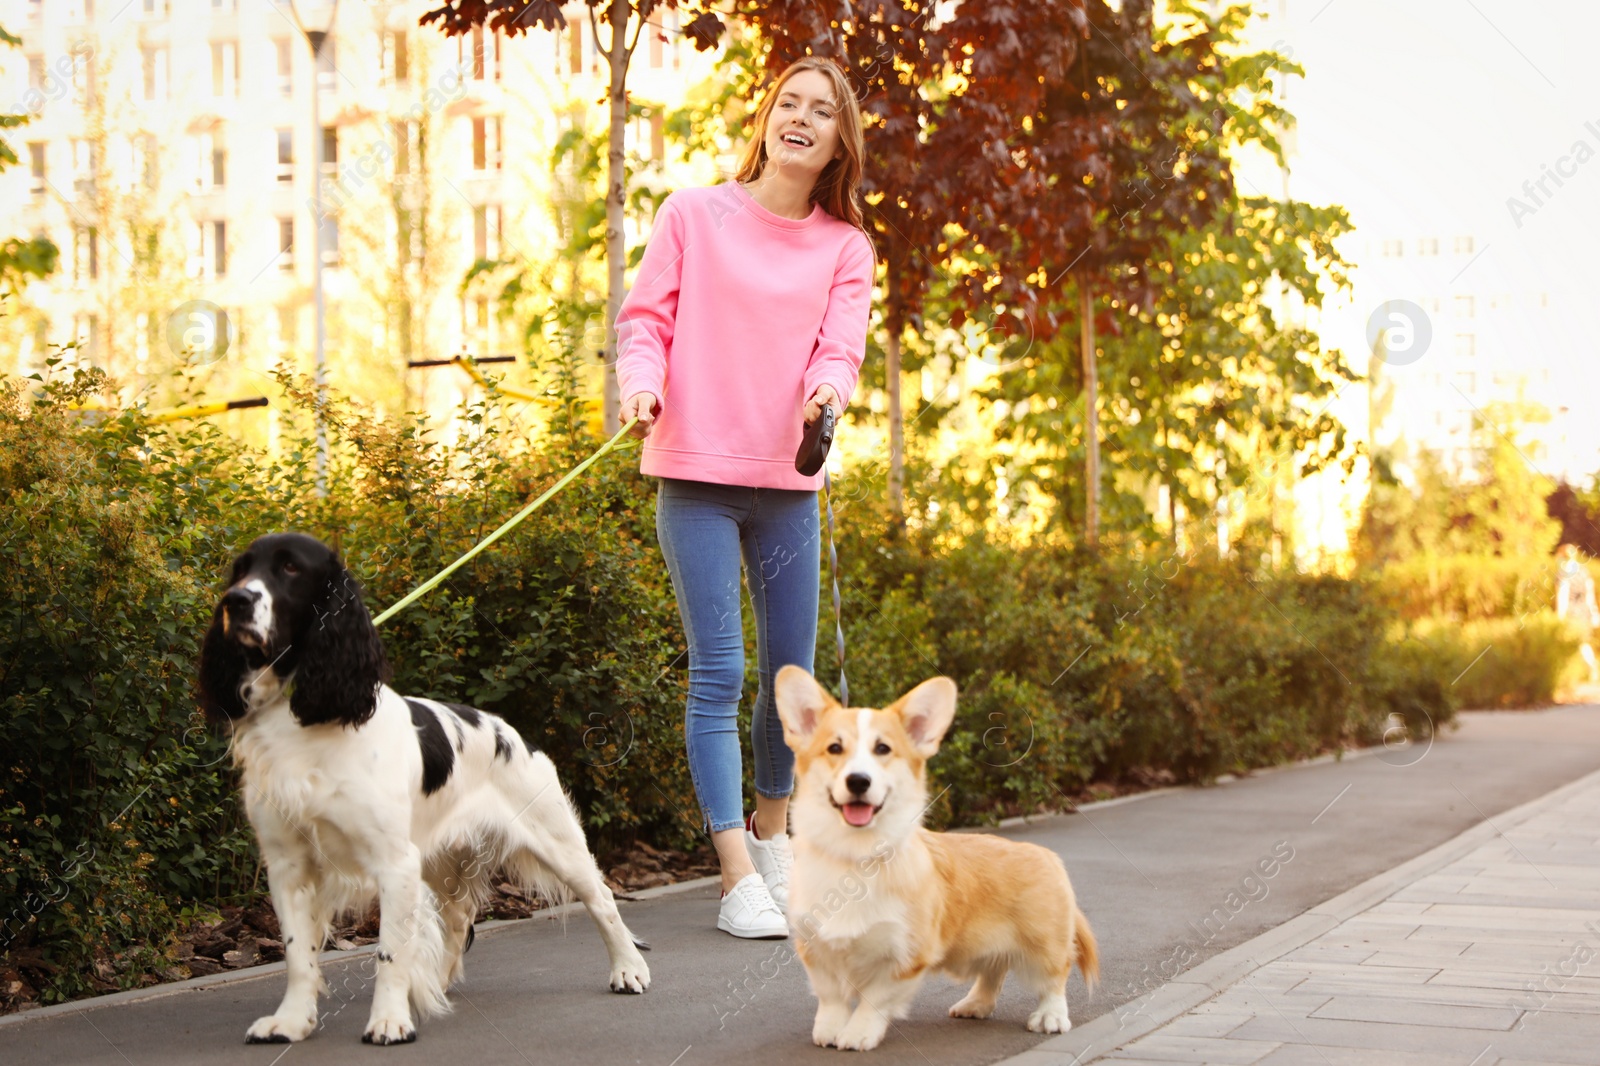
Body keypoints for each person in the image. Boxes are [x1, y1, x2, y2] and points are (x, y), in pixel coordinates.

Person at [612, 57, 876, 939]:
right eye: (788, 103)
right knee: (719, 670)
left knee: (788, 685)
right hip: (693, 476)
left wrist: (826, 396)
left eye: (822, 111)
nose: (801, 118)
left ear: (841, 140)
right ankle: (734, 877)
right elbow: (645, 321)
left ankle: (773, 842)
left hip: (786, 487)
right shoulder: (695, 214)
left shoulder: (846, 247)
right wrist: (641, 386)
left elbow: (839, 348)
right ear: (767, 119)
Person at [1556, 544, 1600, 685]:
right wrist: (1593, 612)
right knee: (1580, 642)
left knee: (1578, 643)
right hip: (1584, 612)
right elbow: (1590, 594)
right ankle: (1578, 672)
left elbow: (1562, 597)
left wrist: (1559, 618)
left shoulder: (1563, 574)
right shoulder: (1583, 571)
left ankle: (1590, 667)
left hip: (1572, 614)